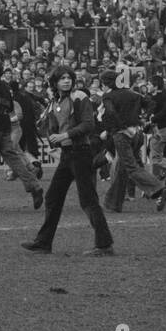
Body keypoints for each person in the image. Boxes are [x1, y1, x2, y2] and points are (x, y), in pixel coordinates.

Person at [22, 66, 115, 256]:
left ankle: (105, 245)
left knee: (88, 201)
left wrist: (64, 134)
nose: (66, 80)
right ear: (55, 82)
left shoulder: (79, 96)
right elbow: (52, 126)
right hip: (67, 155)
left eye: (69, 77)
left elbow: (88, 125)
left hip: (81, 153)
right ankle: (43, 243)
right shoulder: (56, 101)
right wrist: (50, 132)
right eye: (62, 78)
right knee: (52, 197)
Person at [0, 57, 44, 212]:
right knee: (13, 158)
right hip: (6, 127)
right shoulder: (3, 85)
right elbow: (10, 105)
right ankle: (34, 186)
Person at [99, 68, 165, 212]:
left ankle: (157, 188)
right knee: (121, 169)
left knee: (130, 167)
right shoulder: (133, 94)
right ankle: (113, 205)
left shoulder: (108, 96)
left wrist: (122, 127)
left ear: (107, 83)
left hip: (122, 134)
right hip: (138, 134)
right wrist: (143, 118)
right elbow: (151, 104)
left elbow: (111, 112)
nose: (102, 86)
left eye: (102, 83)